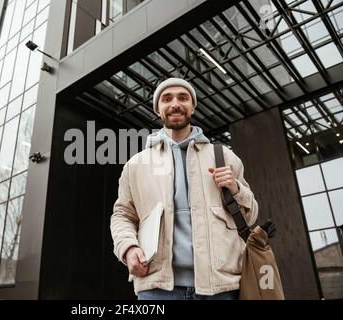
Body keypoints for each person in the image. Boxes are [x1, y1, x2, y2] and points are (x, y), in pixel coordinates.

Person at [110, 78, 258, 300]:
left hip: (220, 288)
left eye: (183, 97)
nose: (175, 104)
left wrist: (236, 188)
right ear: (158, 110)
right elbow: (122, 215)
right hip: (157, 289)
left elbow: (251, 215)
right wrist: (128, 248)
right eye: (167, 99)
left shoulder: (223, 156)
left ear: (193, 106)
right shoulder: (136, 165)